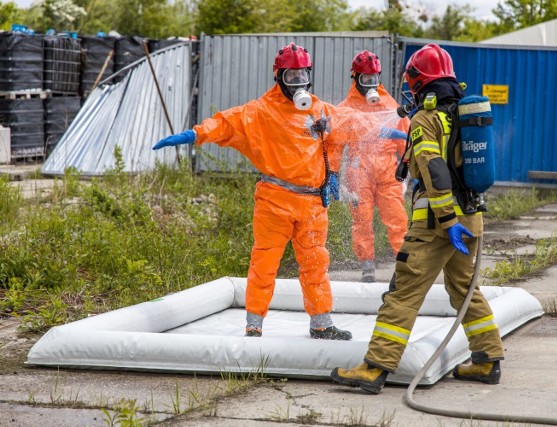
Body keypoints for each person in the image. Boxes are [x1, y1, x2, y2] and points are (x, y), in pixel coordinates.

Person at [330, 43, 504, 393]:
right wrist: (458, 221)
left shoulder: (427, 118)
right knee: (464, 289)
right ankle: (487, 359)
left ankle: (375, 367)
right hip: (471, 220)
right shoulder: (460, 112)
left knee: (403, 291)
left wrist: (446, 219)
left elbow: (435, 171)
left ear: (418, 81)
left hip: (438, 225)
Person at [152, 42, 351, 340]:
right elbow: (224, 124)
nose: (298, 84)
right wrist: (194, 134)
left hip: (312, 204)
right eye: (291, 78)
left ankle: (321, 323)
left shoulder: (320, 111)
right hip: (275, 200)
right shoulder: (259, 113)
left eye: (302, 76)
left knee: (316, 264)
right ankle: (254, 325)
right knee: (264, 263)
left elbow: (343, 133)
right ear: (278, 76)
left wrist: (332, 172)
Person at [336, 50, 410, 283]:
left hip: (388, 171)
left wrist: (409, 170)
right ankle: (367, 266)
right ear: (355, 78)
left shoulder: (389, 105)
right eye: (365, 80)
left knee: (397, 219)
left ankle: (405, 267)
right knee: (361, 220)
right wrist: (334, 175)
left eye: (374, 79)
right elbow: (335, 145)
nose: (370, 84)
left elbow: (405, 139)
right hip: (359, 172)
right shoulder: (346, 108)